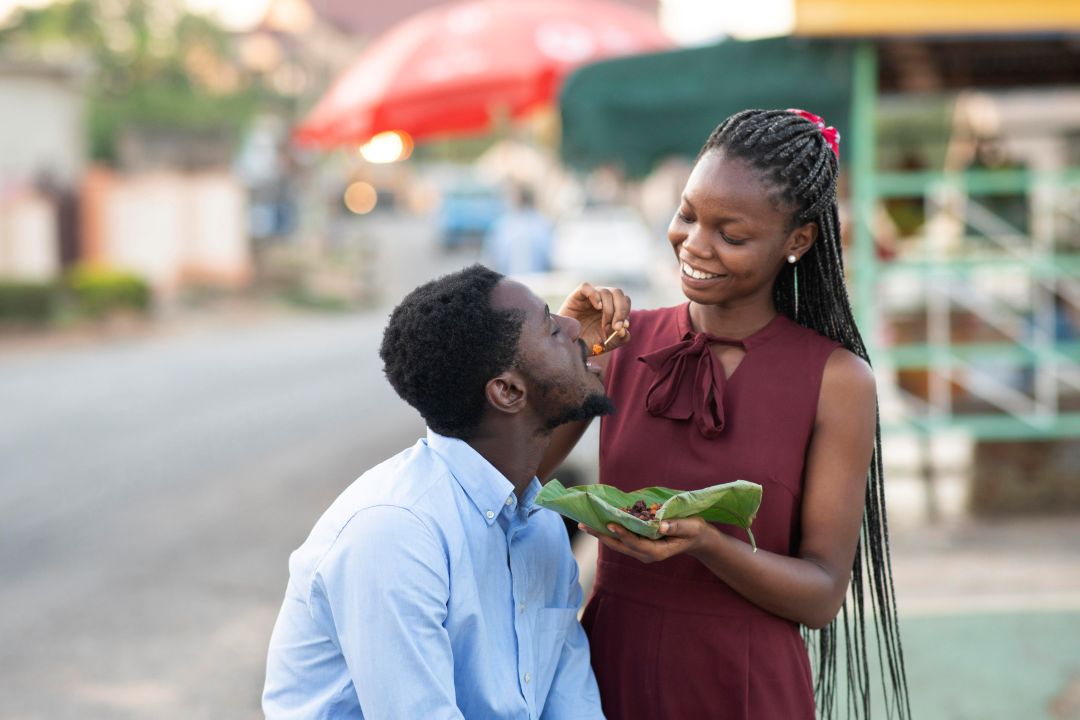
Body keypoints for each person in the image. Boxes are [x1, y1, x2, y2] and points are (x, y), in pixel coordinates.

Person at [540, 109, 911, 719]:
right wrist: (563, 354)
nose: (694, 244)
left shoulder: (837, 380)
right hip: (607, 666)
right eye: (687, 214)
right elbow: (512, 472)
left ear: (798, 241)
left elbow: (821, 595)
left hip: (743, 682)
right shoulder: (622, 341)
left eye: (731, 235)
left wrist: (709, 545)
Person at [263, 264, 623, 719]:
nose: (577, 328)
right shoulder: (396, 532)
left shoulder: (541, 526)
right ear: (508, 392)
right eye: (553, 328)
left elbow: (572, 705)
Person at [484, 185, 554, 276]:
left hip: (535, 280)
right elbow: (493, 258)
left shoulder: (540, 223)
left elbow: (549, 257)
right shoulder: (502, 225)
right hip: (515, 280)